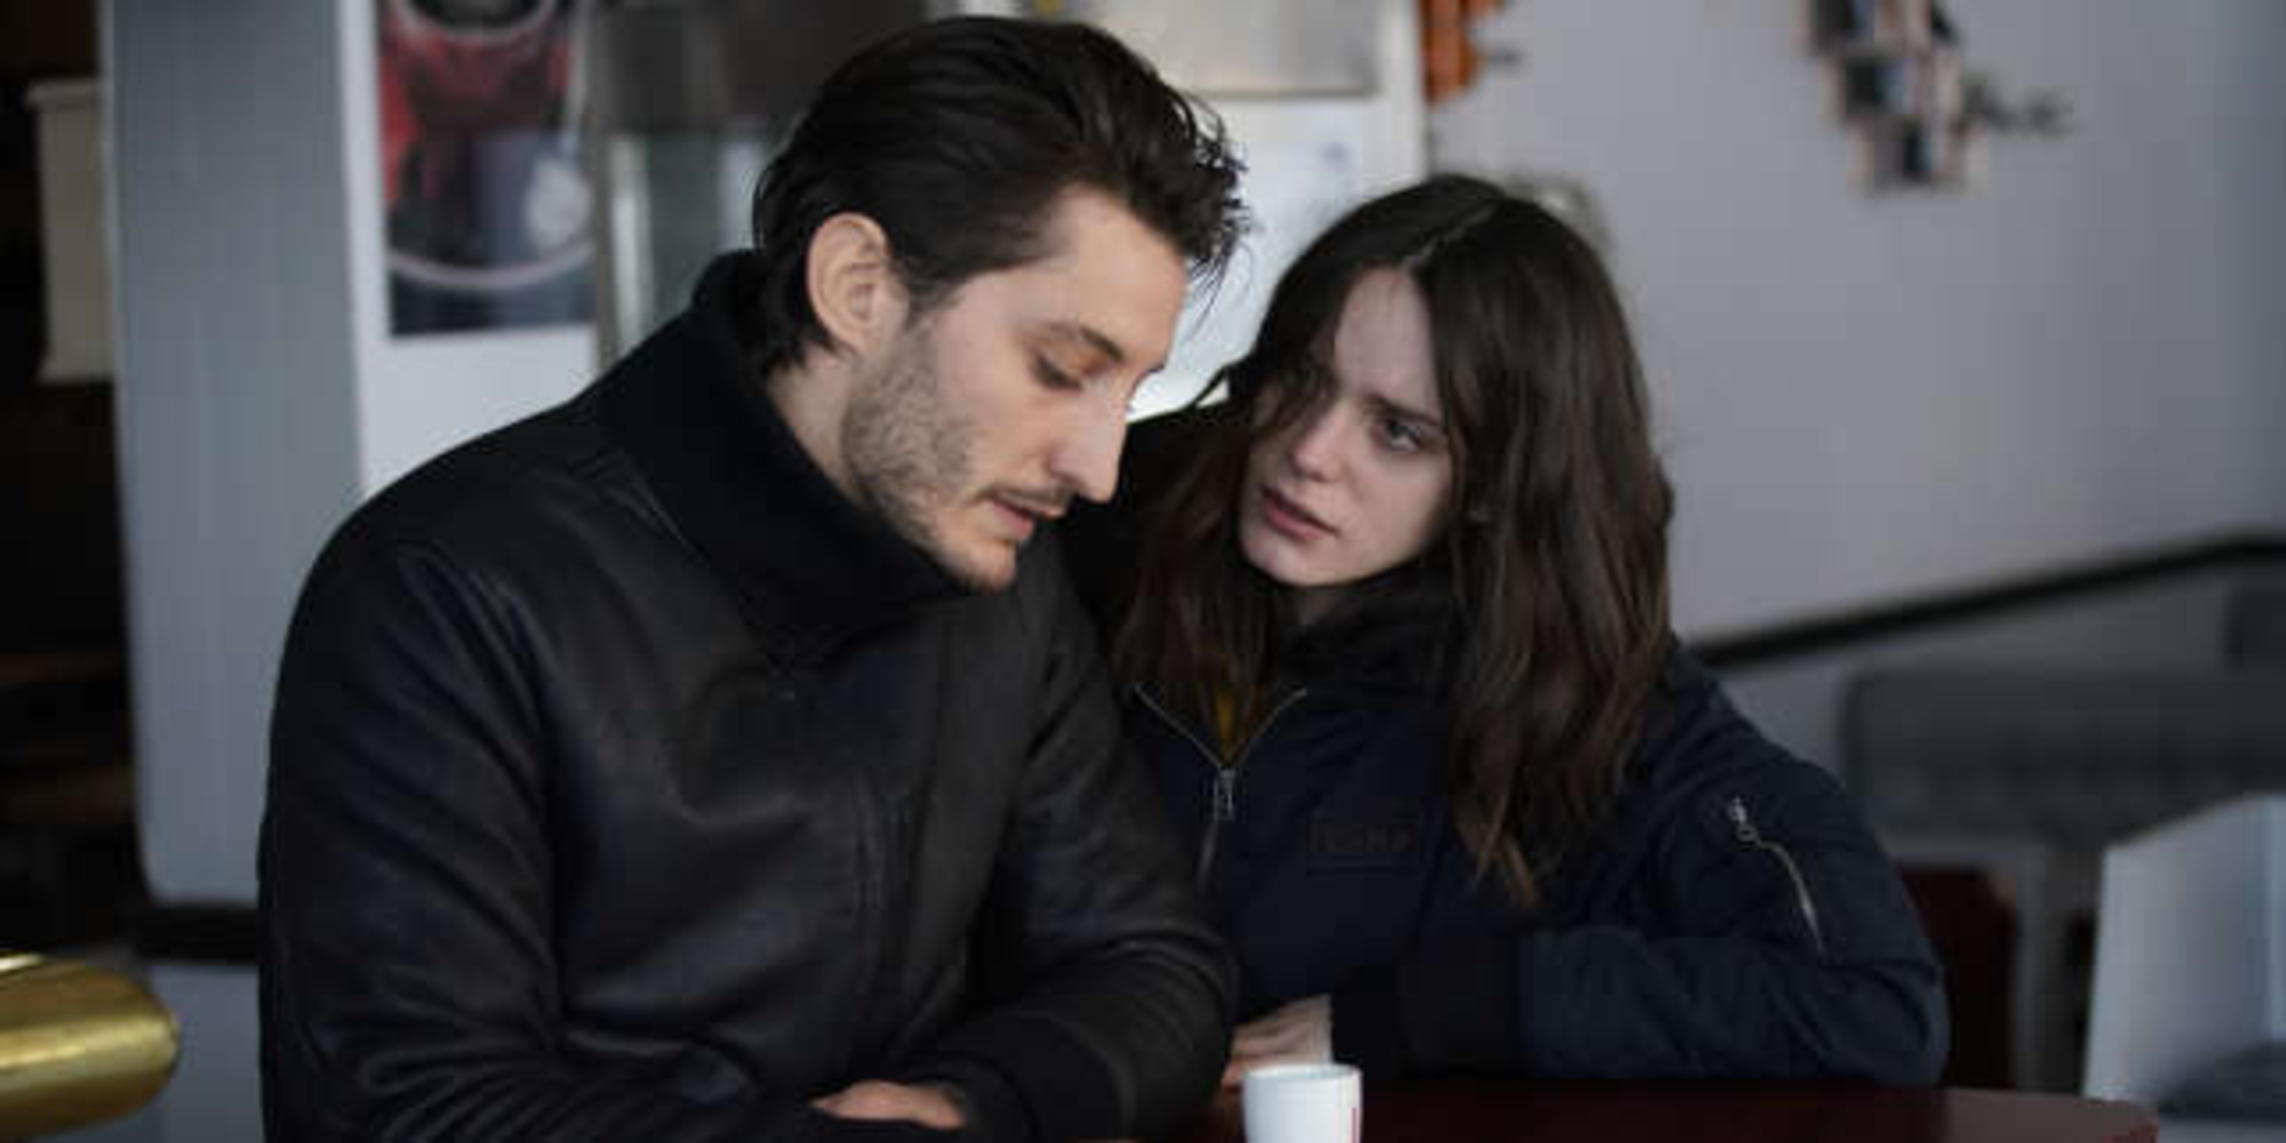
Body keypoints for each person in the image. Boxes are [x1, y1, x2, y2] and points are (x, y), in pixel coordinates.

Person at [260, 17, 1246, 1141]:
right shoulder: (445, 588)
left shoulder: (1000, 578)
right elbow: (413, 1104)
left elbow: (1153, 962)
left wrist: (966, 1102)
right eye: (1060, 370)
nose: (1101, 469)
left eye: (1127, 392)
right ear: (858, 286)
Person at [1067, 175, 1948, 1086]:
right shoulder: (1095, 514)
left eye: (1398, 431)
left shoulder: (1586, 687)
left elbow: (1873, 1004)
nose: (1310, 452)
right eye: (1306, 377)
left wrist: (1431, 1013)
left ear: (1494, 482)